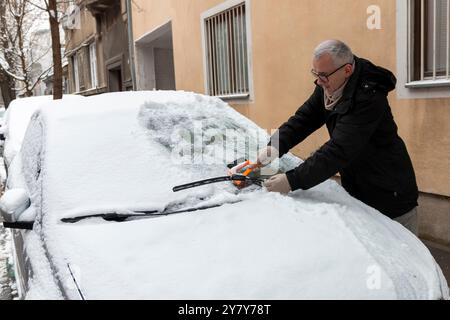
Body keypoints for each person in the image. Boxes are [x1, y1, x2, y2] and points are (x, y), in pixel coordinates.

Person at [257, 40, 419, 235]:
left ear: (347, 70)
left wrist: (291, 180)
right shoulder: (329, 86)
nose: (318, 81)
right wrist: (273, 146)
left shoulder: (368, 96)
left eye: (323, 75)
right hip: (357, 191)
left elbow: (339, 149)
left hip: (390, 196)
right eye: (315, 74)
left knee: (398, 260)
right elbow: (304, 118)